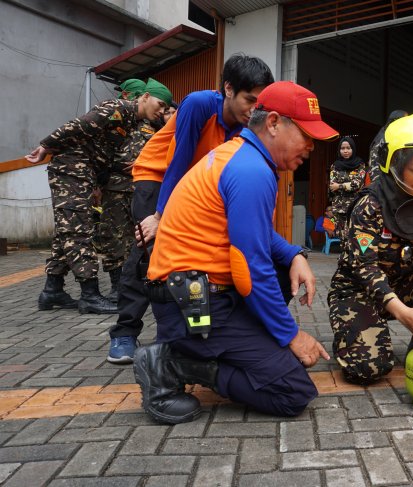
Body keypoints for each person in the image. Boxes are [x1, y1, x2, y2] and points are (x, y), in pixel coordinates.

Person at [133, 81, 337, 424]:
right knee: (292, 392)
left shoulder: (241, 156)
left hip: (190, 294)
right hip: (192, 305)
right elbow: (250, 270)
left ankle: (214, 351)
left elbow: (254, 236)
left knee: (277, 267)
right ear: (272, 123)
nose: (311, 148)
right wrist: (292, 335)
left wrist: (294, 254)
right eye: (306, 135)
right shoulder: (251, 171)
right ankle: (172, 363)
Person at [107, 54, 274, 364]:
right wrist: (159, 217)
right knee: (149, 249)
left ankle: (182, 331)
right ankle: (124, 332)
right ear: (228, 88)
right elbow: (178, 161)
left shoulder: (244, 127)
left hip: (192, 187)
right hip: (158, 177)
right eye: (249, 99)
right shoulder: (199, 104)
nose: (254, 110)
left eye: (260, 104)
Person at [328, 113, 413, 385]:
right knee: (369, 369)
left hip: (405, 285)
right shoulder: (370, 205)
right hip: (361, 291)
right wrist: (402, 313)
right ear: (394, 162)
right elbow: (364, 267)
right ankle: (351, 335)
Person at [27, 80, 169, 314]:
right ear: (144, 97)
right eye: (159, 104)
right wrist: (46, 146)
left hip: (85, 172)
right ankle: (90, 295)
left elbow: (105, 154)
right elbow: (77, 125)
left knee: (68, 230)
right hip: (71, 169)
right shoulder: (118, 108)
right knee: (78, 231)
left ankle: (52, 290)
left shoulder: (133, 120)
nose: (161, 110)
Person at [98, 79, 172, 304]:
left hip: (143, 189)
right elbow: (105, 152)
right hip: (116, 186)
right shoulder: (117, 119)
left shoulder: (154, 123)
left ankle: (142, 285)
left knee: (139, 239)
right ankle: (117, 287)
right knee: (113, 236)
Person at [328, 136, 367, 237]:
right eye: (342, 148)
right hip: (339, 208)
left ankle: (352, 253)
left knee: (354, 235)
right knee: (342, 237)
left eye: (348, 148)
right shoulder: (335, 165)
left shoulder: (360, 165)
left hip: (355, 206)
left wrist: (340, 186)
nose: (345, 151)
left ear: (353, 149)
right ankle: (344, 253)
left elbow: (357, 184)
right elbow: (332, 186)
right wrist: (346, 186)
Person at [367, 109, 408, 184]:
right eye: (404, 121)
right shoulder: (383, 138)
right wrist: (379, 186)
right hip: (382, 185)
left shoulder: (396, 136)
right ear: (395, 121)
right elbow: (374, 165)